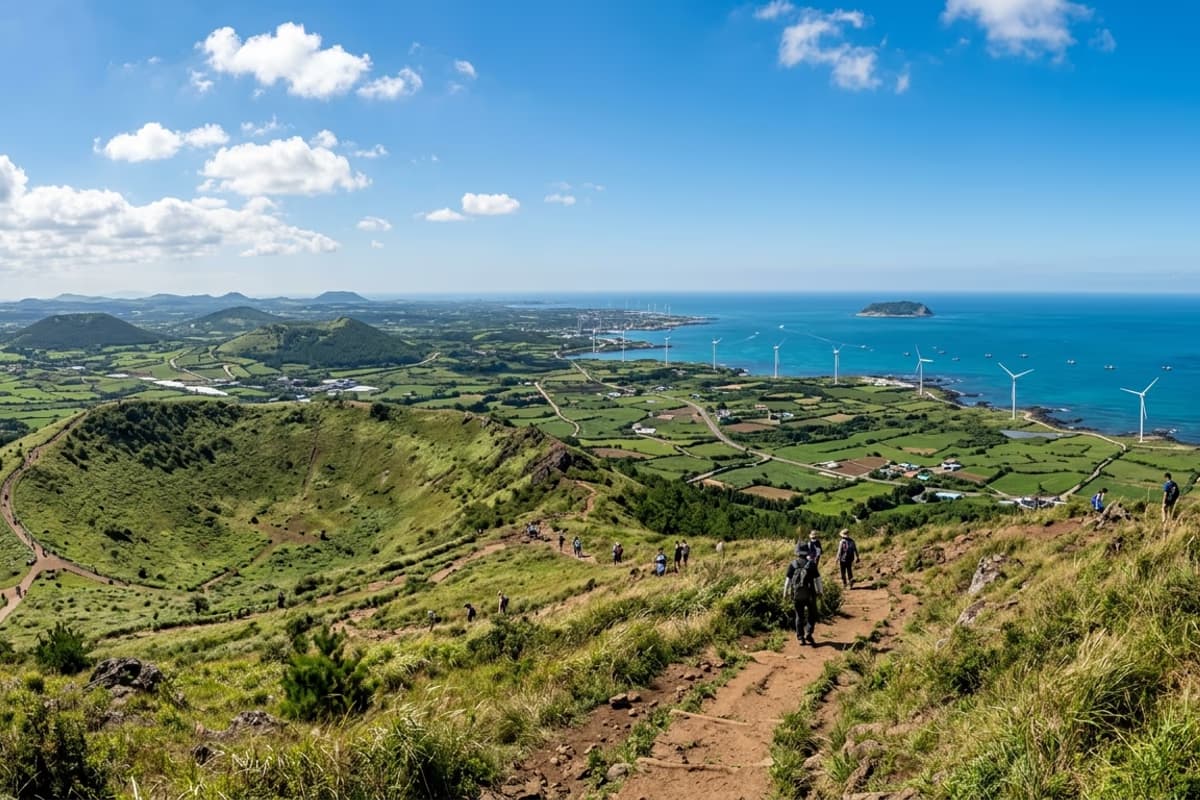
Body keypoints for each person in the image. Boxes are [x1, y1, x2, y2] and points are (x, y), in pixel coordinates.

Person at [784, 551, 820, 645]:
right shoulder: (811, 564)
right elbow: (817, 580)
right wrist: (820, 591)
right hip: (810, 594)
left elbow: (788, 581)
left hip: (797, 595)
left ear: (798, 553)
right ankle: (808, 633)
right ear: (807, 553)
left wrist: (785, 593)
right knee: (812, 614)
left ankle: (800, 637)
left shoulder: (793, 564)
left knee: (799, 616)